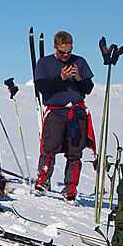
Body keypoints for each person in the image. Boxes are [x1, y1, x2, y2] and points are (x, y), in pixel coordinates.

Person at [33, 31, 95, 202]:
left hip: (77, 112)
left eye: (69, 51)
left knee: (75, 152)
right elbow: (42, 87)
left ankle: (70, 190)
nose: (66, 55)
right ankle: (42, 182)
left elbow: (88, 88)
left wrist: (77, 77)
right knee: (50, 147)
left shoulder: (79, 61)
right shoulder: (44, 62)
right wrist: (61, 77)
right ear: (55, 48)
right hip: (55, 111)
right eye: (62, 52)